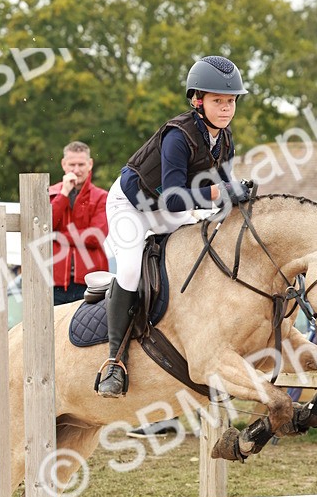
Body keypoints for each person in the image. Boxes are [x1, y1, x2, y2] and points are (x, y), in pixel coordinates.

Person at [96, 55, 247, 397]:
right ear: (198, 100)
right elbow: (176, 199)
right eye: (218, 101)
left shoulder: (224, 140)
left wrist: (239, 198)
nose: (226, 109)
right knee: (132, 269)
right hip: (132, 206)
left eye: (231, 101)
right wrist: (220, 191)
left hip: (168, 209)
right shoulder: (177, 136)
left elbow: (222, 195)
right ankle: (114, 363)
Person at [49, 141, 109, 306]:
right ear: (63, 164)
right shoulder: (51, 194)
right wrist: (64, 194)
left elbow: (95, 237)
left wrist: (58, 236)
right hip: (55, 282)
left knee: (89, 330)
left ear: (90, 164)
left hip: (90, 282)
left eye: (81, 164)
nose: (76, 170)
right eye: (72, 164)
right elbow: (45, 227)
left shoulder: (102, 197)